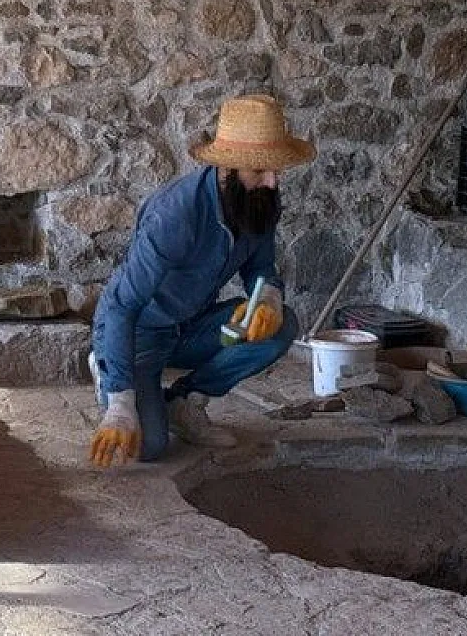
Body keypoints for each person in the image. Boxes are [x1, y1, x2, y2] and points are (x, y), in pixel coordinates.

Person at [88, 93, 314, 467]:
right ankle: (109, 372)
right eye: (260, 171)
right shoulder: (174, 215)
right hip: (140, 332)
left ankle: (184, 403)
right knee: (149, 448)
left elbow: (261, 269)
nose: (273, 183)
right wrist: (122, 405)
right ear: (227, 168)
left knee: (283, 324)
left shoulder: (257, 201)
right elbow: (121, 306)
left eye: (276, 171)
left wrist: (269, 299)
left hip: (192, 325)